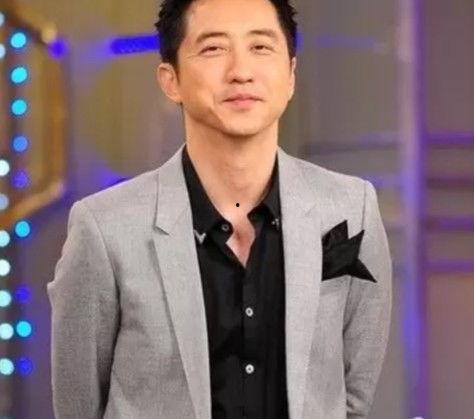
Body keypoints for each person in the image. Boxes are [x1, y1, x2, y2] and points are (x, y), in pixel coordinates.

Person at [46, 0, 392, 418]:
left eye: (260, 47)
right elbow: (78, 405)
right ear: (170, 80)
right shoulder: (105, 228)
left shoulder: (351, 208)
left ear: (290, 75)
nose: (241, 71)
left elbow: (352, 399)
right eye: (213, 48)